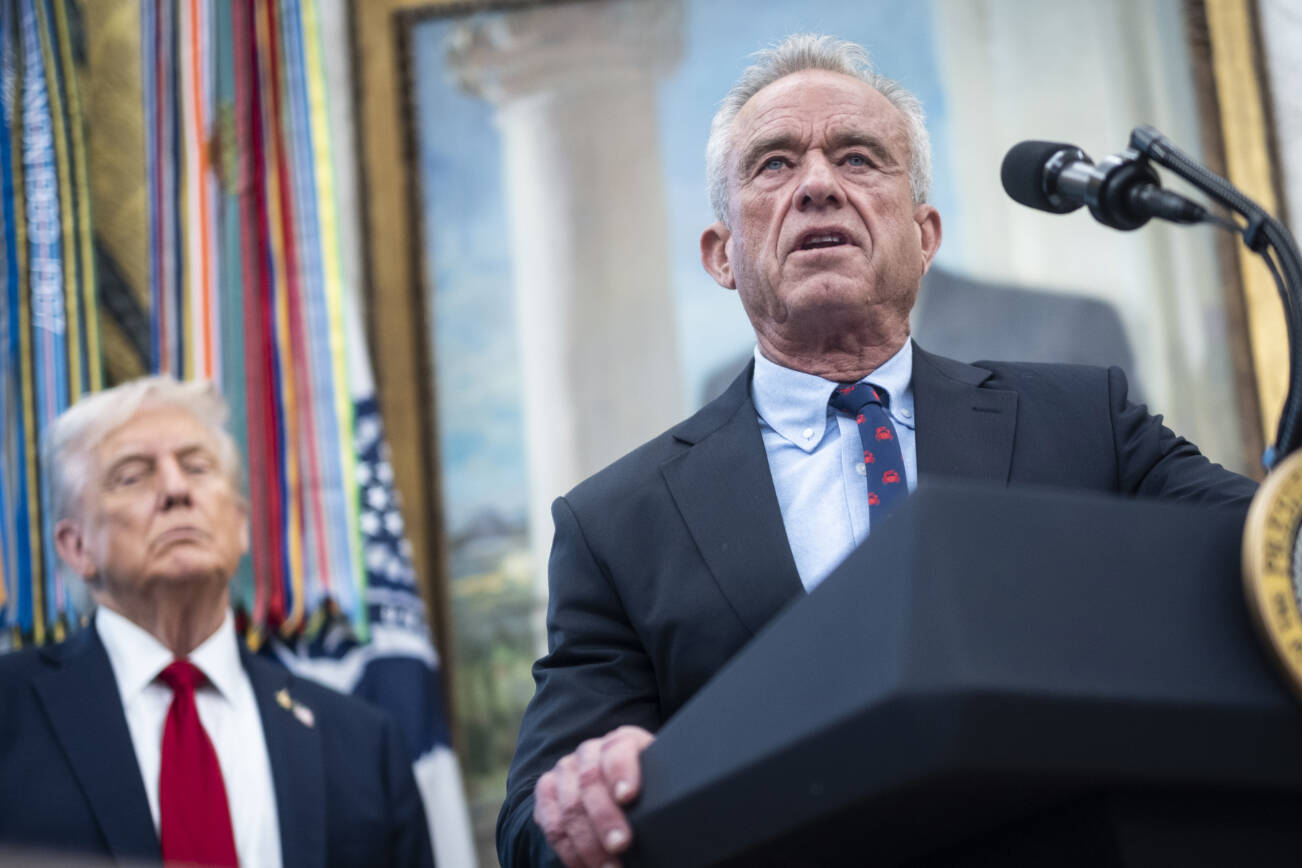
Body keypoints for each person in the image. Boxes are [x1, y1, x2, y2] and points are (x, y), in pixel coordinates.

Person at [497, 33, 1258, 868]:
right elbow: (534, 825)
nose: (819, 185)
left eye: (859, 159)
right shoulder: (617, 524)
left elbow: (1262, 550)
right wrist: (585, 799)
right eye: (774, 165)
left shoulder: (1083, 421)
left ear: (925, 235)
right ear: (722, 254)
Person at [0, 377, 435, 867]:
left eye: (196, 466)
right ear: (76, 547)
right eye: (132, 475)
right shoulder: (10, 713)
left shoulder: (362, 743)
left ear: (240, 524)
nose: (175, 488)